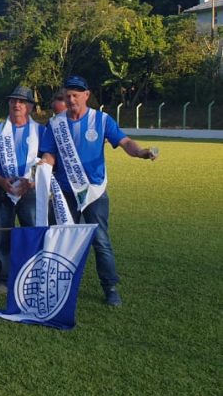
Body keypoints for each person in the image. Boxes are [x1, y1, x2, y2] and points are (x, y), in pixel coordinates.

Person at [39, 75, 156, 307]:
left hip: (93, 191)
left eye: (76, 95)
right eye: (68, 96)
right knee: (60, 238)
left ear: (86, 95)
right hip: (64, 192)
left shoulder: (101, 120)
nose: (72, 100)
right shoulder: (55, 124)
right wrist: (43, 166)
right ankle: (58, 285)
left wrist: (141, 152)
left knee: (100, 241)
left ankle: (110, 287)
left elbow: (125, 142)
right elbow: (50, 154)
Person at [0, 85, 42, 288]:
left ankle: (32, 276)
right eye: (13, 100)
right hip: (2, 189)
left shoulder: (40, 130)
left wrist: (32, 180)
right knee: (2, 234)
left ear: (30, 107)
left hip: (30, 191)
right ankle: (4, 279)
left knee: (31, 232)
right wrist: (0, 180)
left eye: (22, 101)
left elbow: (48, 159)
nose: (17, 104)